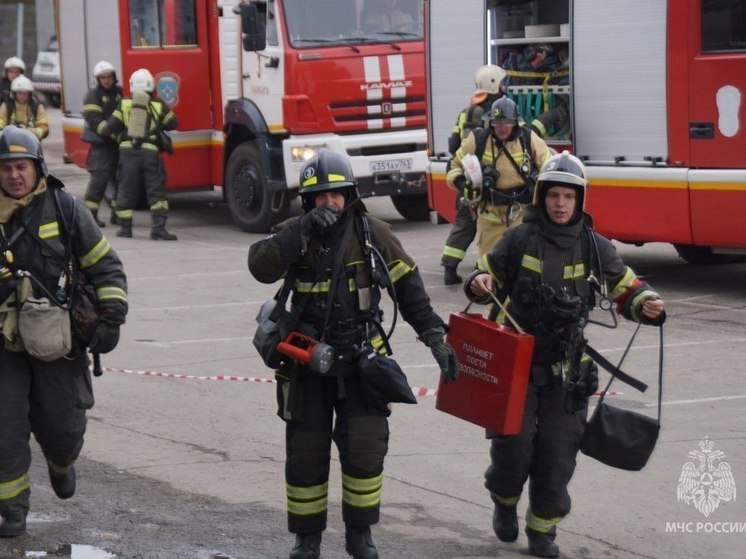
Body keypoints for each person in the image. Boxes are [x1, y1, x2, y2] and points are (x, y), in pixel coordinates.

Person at [248, 149, 458, 559]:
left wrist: (435, 336)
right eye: (321, 196)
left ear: (349, 196)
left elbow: (410, 291)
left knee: (365, 450)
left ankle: (360, 536)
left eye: (337, 194)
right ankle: (306, 540)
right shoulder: (294, 233)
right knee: (305, 454)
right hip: (306, 363)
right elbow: (260, 266)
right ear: (308, 200)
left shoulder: (373, 234)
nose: (329, 202)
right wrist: (301, 229)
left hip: (362, 363)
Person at [464, 151, 666, 558]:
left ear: (579, 200)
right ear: (542, 197)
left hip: (567, 371)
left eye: (569, 197)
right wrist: (478, 282)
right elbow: (483, 275)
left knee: (558, 455)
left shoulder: (595, 246)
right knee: (513, 450)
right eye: (554, 195)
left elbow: (627, 286)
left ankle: (542, 529)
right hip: (517, 366)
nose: (561, 204)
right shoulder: (519, 239)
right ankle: (504, 500)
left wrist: (646, 303)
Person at [0, 125, 128, 538]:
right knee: (5, 430)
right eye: (5, 168)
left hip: (56, 341)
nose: (14, 175)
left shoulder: (65, 208)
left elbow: (105, 266)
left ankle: (61, 463)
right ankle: (12, 511)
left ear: (37, 168)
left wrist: (111, 317)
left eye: (21, 166)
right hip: (4, 345)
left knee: (62, 427)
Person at [447, 96, 551, 259]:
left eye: (507, 123)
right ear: (490, 122)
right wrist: (461, 184)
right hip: (490, 219)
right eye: (497, 123)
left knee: (522, 266)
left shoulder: (529, 139)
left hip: (521, 217)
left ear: (515, 122)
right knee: (489, 267)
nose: (502, 128)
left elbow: (550, 167)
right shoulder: (478, 139)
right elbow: (453, 165)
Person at [441, 64, 507, 285]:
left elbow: (453, 145)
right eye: (502, 83)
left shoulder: (467, 111)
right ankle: (458, 268)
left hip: (468, 176)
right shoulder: (493, 113)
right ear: (494, 84)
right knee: (475, 223)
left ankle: (450, 267)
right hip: (482, 179)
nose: (505, 87)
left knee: (464, 223)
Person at [108, 68, 178, 240]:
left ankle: (125, 229)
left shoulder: (124, 103)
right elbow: (173, 123)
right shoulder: (158, 104)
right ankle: (158, 229)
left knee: (126, 188)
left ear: (132, 86)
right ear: (151, 86)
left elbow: (112, 126)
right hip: (150, 153)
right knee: (156, 190)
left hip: (127, 153)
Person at [82, 61, 123, 228]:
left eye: (109, 77)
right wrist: (113, 134)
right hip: (101, 145)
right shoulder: (92, 96)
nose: (106, 80)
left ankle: (117, 214)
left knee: (120, 179)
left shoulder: (120, 93)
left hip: (118, 144)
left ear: (114, 77)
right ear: (98, 80)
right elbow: (94, 121)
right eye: (103, 78)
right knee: (99, 181)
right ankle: (90, 217)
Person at [0, 76, 49, 141]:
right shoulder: (6, 106)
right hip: (9, 141)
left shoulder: (37, 107)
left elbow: (44, 127)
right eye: (20, 93)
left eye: (25, 93)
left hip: (31, 141)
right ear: (14, 93)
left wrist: (28, 131)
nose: (22, 96)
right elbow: (1, 122)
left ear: (29, 94)